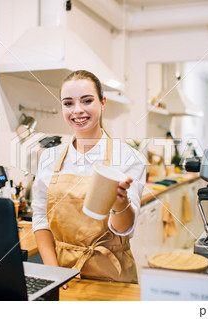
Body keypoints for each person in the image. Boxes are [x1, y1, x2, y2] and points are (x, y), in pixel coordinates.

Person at [31, 70, 146, 284]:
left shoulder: (129, 158)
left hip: (112, 275)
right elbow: (40, 219)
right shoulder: (49, 158)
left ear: (103, 102)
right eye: (68, 103)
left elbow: (124, 228)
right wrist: (53, 274)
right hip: (63, 274)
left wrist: (120, 203)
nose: (77, 110)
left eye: (87, 100)